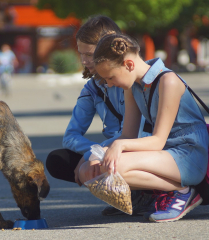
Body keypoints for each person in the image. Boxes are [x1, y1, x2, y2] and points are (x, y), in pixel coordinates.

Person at [78, 33, 208, 222]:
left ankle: (182, 191)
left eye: (111, 77)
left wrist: (118, 147)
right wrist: (95, 154)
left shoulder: (168, 81)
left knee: (115, 168)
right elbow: (128, 135)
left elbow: (157, 141)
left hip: (189, 153)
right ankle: (154, 194)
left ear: (129, 65)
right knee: (88, 169)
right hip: (166, 154)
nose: (109, 84)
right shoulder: (133, 86)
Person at [45, 15, 154, 216]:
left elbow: (139, 135)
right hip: (114, 152)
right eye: (81, 54)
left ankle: (154, 193)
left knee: (104, 161)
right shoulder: (92, 88)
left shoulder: (136, 79)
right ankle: (130, 195)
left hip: (148, 148)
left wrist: (96, 155)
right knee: (56, 160)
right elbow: (70, 137)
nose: (84, 60)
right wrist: (94, 154)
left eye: (89, 53)